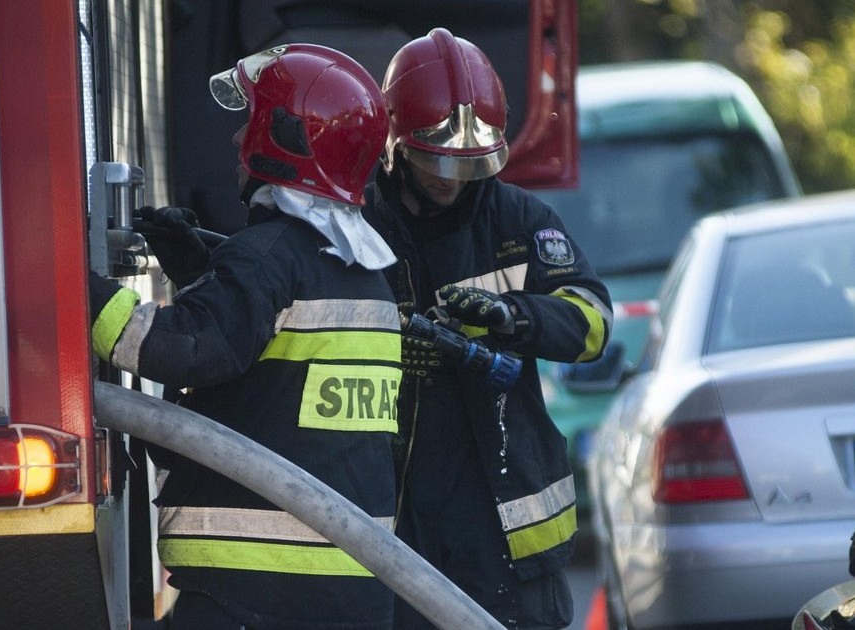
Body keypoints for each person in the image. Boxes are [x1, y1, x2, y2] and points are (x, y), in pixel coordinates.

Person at [88, 43, 403, 630]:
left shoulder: (270, 258)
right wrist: (198, 270)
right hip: (348, 585)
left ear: (284, 138)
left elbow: (185, 348)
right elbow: (273, 375)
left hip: (258, 587)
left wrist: (70, 288)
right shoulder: (364, 273)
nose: (237, 141)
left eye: (249, 123)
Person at [360, 28, 613, 630]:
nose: (450, 177)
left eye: (468, 162)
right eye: (434, 159)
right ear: (396, 141)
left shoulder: (521, 221)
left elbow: (592, 319)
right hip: (392, 506)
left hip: (505, 523)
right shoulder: (357, 224)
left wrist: (517, 316)